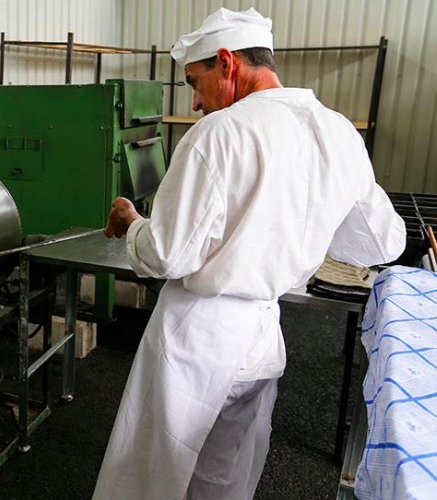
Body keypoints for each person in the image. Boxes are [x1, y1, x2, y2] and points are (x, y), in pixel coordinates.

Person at [93, 7, 405, 500]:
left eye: (195, 83)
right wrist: (298, 223)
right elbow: (382, 241)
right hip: (261, 339)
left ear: (226, 61)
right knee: (225, 476)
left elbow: (166, 255)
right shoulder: (338, 131)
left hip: (197, 341)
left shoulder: (218, 134)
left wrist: (132, 222)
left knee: (156, 476)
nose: (195, 102)